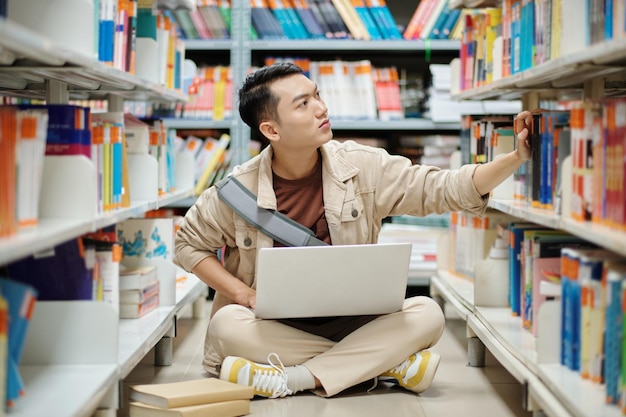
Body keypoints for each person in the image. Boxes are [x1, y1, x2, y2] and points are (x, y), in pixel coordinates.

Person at [173, 62, 532, 399]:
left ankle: (293, 378)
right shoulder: (239, 188)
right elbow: (186, 244)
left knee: (427, 313)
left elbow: (442, 187)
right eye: (302, 104)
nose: (320, 108)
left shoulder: (363, 165)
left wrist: (513, 159)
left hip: (359, 322)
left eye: (317, 95)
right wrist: (242, 294)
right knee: (226, 326)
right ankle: (386, 363)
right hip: (276, 325)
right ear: (271, 130)